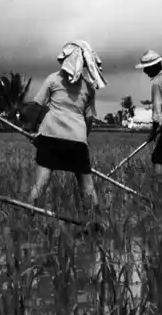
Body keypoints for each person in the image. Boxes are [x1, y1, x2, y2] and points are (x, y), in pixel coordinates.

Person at [25, 40, 106, 218]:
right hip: (77, 139)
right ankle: (95, 223)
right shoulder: (89, 86)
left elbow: (37, 106)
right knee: (87, 185)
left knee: (41, 182)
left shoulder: (53, 79)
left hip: (50, 135)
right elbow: (89, 118)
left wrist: (32, 130)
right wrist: (82, 139)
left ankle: (26, 219)